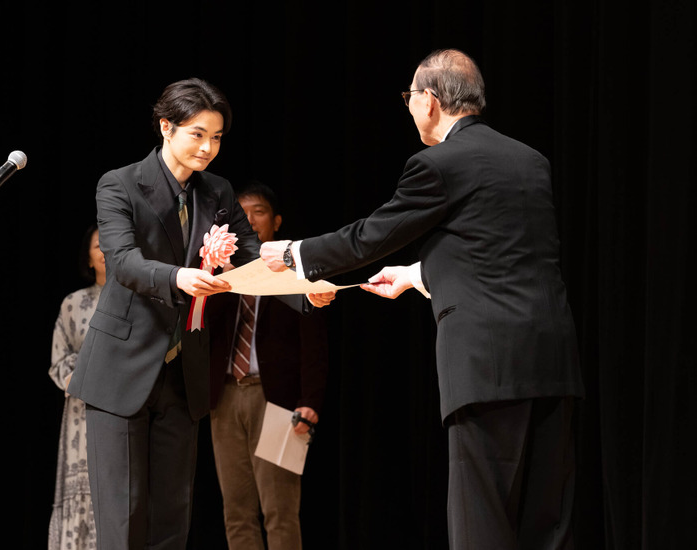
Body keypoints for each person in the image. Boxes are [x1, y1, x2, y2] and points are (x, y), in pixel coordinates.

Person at [260, 49, 584, 550]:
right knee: (546, 526)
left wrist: (293, 253)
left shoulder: (437, 164)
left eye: (409, 97)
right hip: (552, 360)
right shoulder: (529, 159)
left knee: (484, 523)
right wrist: (416, 274)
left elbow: (368, 237)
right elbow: (504, 253)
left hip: (487, 366)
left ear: (430, 101)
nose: (409, 107)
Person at [66, 78, 273, 550]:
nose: (208, 147)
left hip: (183, 375)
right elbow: (122, 261)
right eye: (197, 134)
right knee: (123, 520)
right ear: (166, 127)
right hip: (122, 372)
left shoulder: (217, 192)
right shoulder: (119, 183)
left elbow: (253, 256)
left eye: (217, 137)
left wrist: (302, 291)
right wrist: (178, 277)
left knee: (171, 522)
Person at [207, 182, 329, 550]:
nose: (250, 219)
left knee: (280, 509)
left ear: (275, 222)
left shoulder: (295, 273)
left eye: (258, 211)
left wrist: (311, 400)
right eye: (242, 214)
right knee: (237, 511)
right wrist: (218, 276)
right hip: (225, 397)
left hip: (279, 400)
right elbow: (204, 331)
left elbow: (315, 345)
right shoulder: (223, 273)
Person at [48, 223, 105, 550]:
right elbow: (60, 359)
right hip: (81, 412)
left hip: (124, 407)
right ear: (88, 257)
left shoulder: (137, 301)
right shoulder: (73, 303)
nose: (105, 251)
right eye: (98, 245)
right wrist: (86, 380)